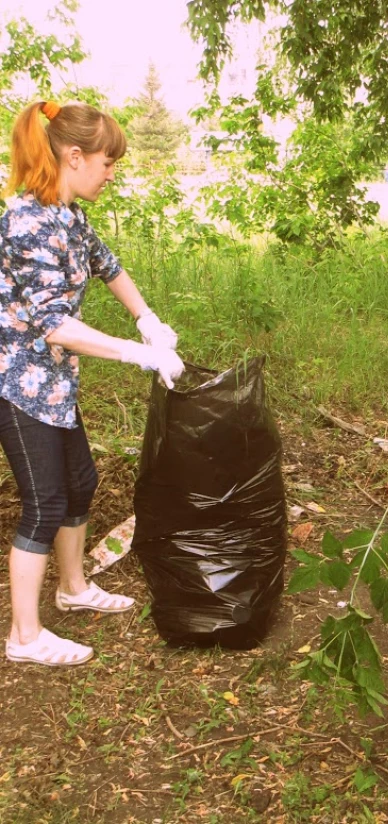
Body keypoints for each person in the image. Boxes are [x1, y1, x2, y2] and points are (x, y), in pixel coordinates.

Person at [0, 100, 185, 667]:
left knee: (80, 483)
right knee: (44, 502)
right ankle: (25, 637)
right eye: (107, 163)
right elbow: (55, 325)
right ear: (74, 157)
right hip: (19, 384)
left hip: (55, 384)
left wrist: (146, 318)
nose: (111, 174)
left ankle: (73, 589)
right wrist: (138, 354)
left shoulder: (69, 213)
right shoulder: (25, 222)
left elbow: (107, 264)